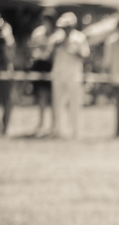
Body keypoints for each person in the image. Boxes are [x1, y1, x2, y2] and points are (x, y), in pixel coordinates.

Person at [50, 12, 90, 139]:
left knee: (75, 104)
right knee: (58, 103)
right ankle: (59, 130)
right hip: (58, 74)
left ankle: (76, 131)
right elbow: (49, 55)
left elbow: (85, 55)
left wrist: (73, 50)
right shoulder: (56, 38)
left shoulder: (80, 38)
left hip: (74, 75)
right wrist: (58, 45)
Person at [28, 8, 57, 136]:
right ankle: (41, 123)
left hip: (53, 67)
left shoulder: (58, 34)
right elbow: (32, 48)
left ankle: (53, 125)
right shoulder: (38, 33)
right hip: (40, 66)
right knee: (41, 97)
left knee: (54, 98)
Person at [0, 14, 15, 136]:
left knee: (7, 101)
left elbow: (9, 54)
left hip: (5, 70)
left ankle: (5, 128)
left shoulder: (6, 29)